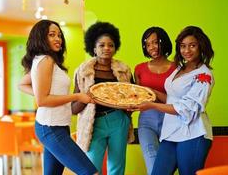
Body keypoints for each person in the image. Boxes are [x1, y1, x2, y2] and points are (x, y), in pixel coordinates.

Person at [128, 26, 215, 175]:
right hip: (171, 133)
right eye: (183, 46)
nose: (187, 50)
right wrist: (151, 93)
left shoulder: (204, 75)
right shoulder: (180, 68)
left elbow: (186, 109)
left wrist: (151, 105)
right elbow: (172, 97)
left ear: (201, 47)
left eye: (192, 45)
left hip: (193, 133)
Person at [19, 20, 98, 175]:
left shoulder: (46, 61)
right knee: (90, 172)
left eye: (59, 35)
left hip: (57, 126)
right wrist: (76, 96)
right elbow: (42, 100)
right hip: (50, 127)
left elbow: (21, 84)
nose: (58, 39)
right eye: (51, 35)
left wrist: (41, 92)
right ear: (41, 37)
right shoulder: (45, 60)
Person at [72, 22, 133, 175]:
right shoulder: (82, 72)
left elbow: (133, 98)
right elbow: (74, 108)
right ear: (94, 48)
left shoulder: (124, 70)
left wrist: (127, 112)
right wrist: (87, 97)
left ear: (115, 48)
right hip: (93, 123)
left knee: (117, 166)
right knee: (91, 167)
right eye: (102, 45)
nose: (106, 48)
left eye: (110, 45)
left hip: (118, 120)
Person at [134, 27, 176, 175]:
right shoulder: (139, 69)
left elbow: (178, 102)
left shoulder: (178, 68)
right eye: (148, 44)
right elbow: (137, 97)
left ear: (163, 42)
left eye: (156, 42)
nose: (152, 47)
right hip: (146, 121)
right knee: (152, 162)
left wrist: (154, 93)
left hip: (171, 120)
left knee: (166, 167)